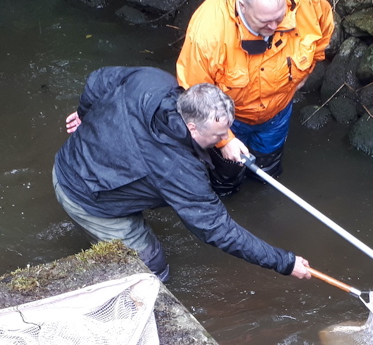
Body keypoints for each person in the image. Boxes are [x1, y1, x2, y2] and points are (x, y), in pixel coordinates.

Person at [52, 66, 311, 283]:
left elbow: (98, 79)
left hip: (83, 155)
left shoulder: (152, 81)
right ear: (192, 126)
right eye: (220, 135)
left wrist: (86, 115)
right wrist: (284, 262)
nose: (226, 140)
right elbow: (217, 229)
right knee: (152, 267)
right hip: (85, 195)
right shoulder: (179, 170)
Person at [176, 0, 334, 195]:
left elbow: (323, 33)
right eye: (265, 21)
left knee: (266, 173)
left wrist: (309, 69)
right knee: (226, 180)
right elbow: (195, 96)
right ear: (242, 5)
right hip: (228, 121)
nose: (275, 27)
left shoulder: (310, 5)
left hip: (277, 114)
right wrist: (224, 140)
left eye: (279, 17)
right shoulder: (208, 33)